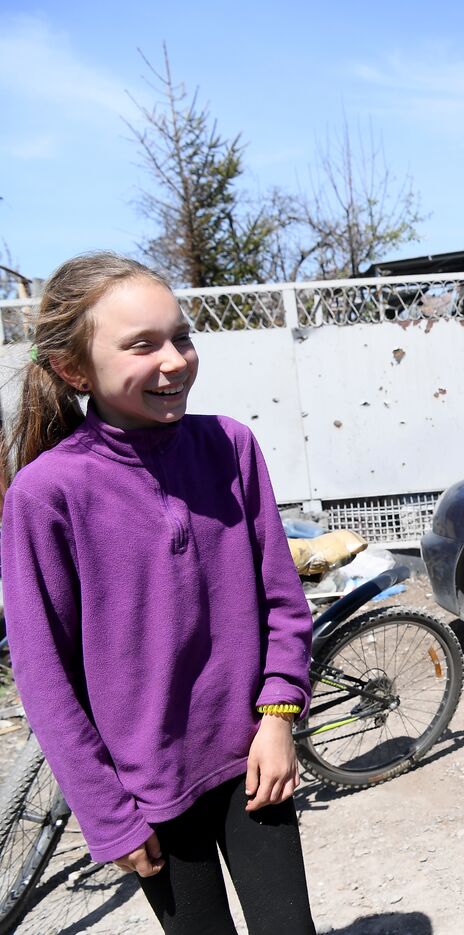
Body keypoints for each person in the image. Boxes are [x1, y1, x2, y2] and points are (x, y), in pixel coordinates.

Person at [1, 253, 316, 934]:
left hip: (251, 758)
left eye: (182, 335)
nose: (174, 360)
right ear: (72, 369)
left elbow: (284, 603)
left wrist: (279, 717)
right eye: (142, 344)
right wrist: (107, 814)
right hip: (149, 797)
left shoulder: (230, 447)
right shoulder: (46, 493)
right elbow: (45, 677)